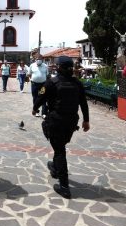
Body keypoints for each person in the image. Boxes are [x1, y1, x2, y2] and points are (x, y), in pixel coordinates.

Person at [34, 56, 90, 199]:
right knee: (60, 144)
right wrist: (86, 121)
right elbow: (84, 103)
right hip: (71, 122)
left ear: (58, 67)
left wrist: (35, 109)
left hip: (56, 121)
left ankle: (64, 186)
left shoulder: (52, 82)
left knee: (60, 150)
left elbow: (41, 97)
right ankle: (54, 167)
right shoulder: (77, 83)